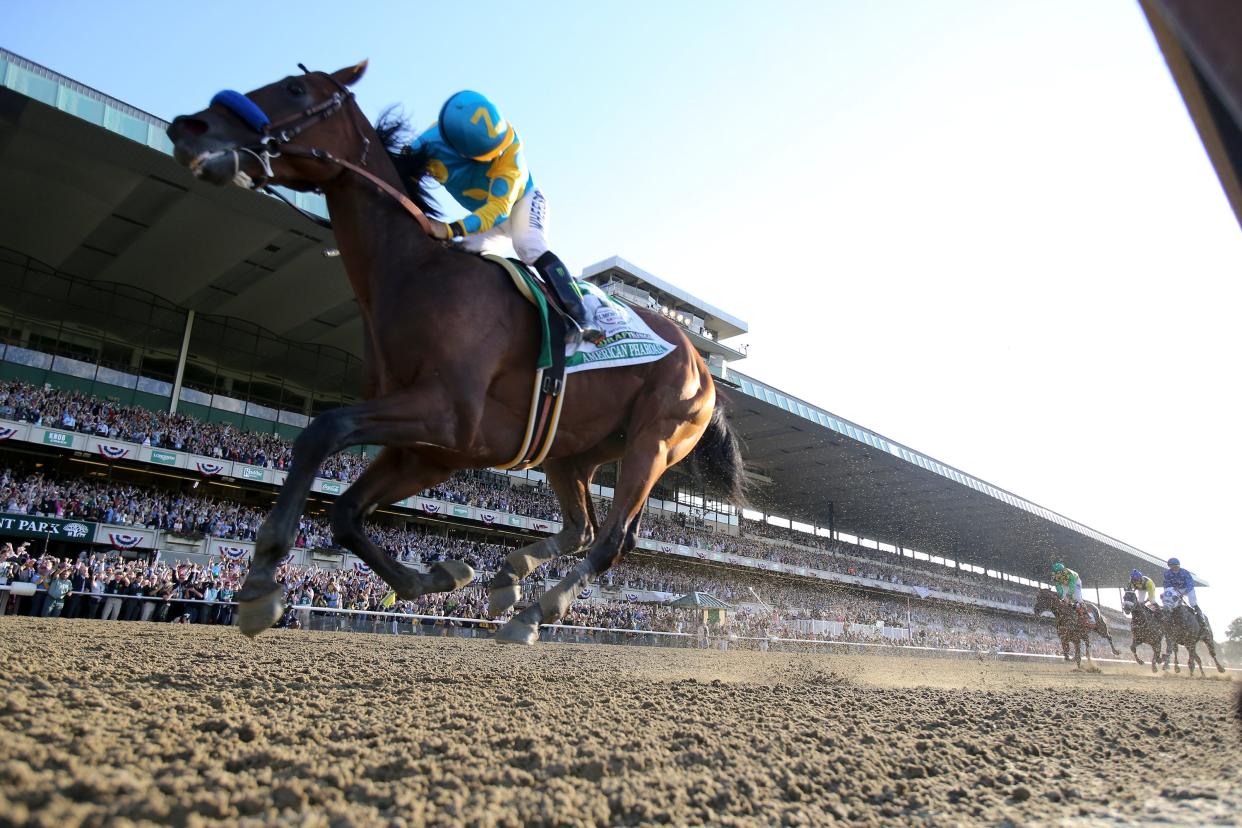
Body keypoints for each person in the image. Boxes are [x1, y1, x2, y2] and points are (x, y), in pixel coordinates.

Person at [407, 90, 602, 344]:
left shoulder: (511, 150)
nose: (499, 155)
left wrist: (449, 228)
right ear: (460, 151)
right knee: (459, 254)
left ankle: (582, 315)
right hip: (489, 217)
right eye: (489, 156)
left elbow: (497, 211)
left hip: (524, 202)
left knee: (528, 244)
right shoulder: (425, 146)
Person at [1161, 558, 1204, 623]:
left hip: (1186, 588)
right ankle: (1167, 607)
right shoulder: (1167, 573)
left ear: (1178, 565)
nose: (1173, 568)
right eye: (1171, 566)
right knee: (1168, 591)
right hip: (1176, 589)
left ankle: (1197, 611)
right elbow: (1166, 584)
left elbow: (1190, 584)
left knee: (1192, 598)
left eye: (1175, 566)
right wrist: (1172, 589)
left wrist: (1181, 592)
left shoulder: (1185, 572)